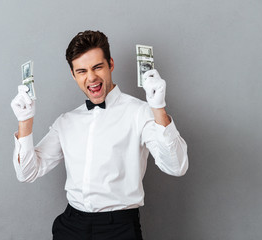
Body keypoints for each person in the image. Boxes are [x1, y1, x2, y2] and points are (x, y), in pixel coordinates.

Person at [10, 30, 188, 240]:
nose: (91, 77)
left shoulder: (140, 112)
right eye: (82, 71)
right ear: (73, 75)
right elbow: (27, 173)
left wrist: (158, 107)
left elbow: (177, 167)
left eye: (97, 67)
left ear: (110, 64)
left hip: (118, 229)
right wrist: (25, 122)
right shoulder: (66, 121)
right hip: (71, 226)